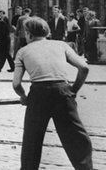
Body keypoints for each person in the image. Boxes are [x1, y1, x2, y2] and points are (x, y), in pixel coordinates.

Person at [13, 17, 93, 169]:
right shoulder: (61, 45)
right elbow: (84, 68)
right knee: (77, 138)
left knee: (32, 141)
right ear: (47, 31)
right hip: (63, 92)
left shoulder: (22, 51)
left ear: (29, 34)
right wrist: (73, 89)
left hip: (37, 95)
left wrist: (24, 97)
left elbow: (16, 84)